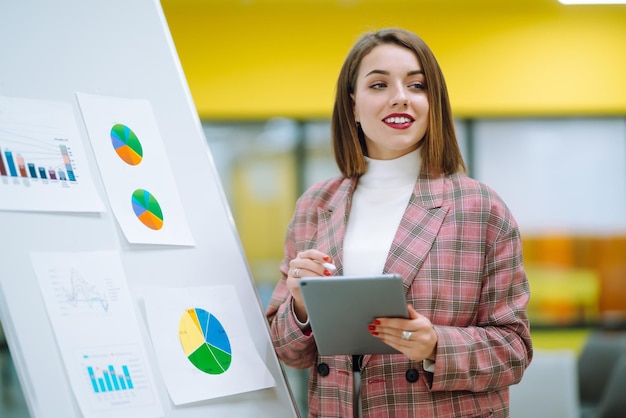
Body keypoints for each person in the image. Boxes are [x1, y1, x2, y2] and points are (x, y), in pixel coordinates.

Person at [266, 27, 533, 418]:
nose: (400, 98)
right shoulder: (316, 204)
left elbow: (514, 350)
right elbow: (286, 351)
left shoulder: (481, 207)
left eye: (417, 85)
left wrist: (435, 345)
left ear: (433, 101)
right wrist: (302, 307)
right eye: (378, 85)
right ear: (353, 106)